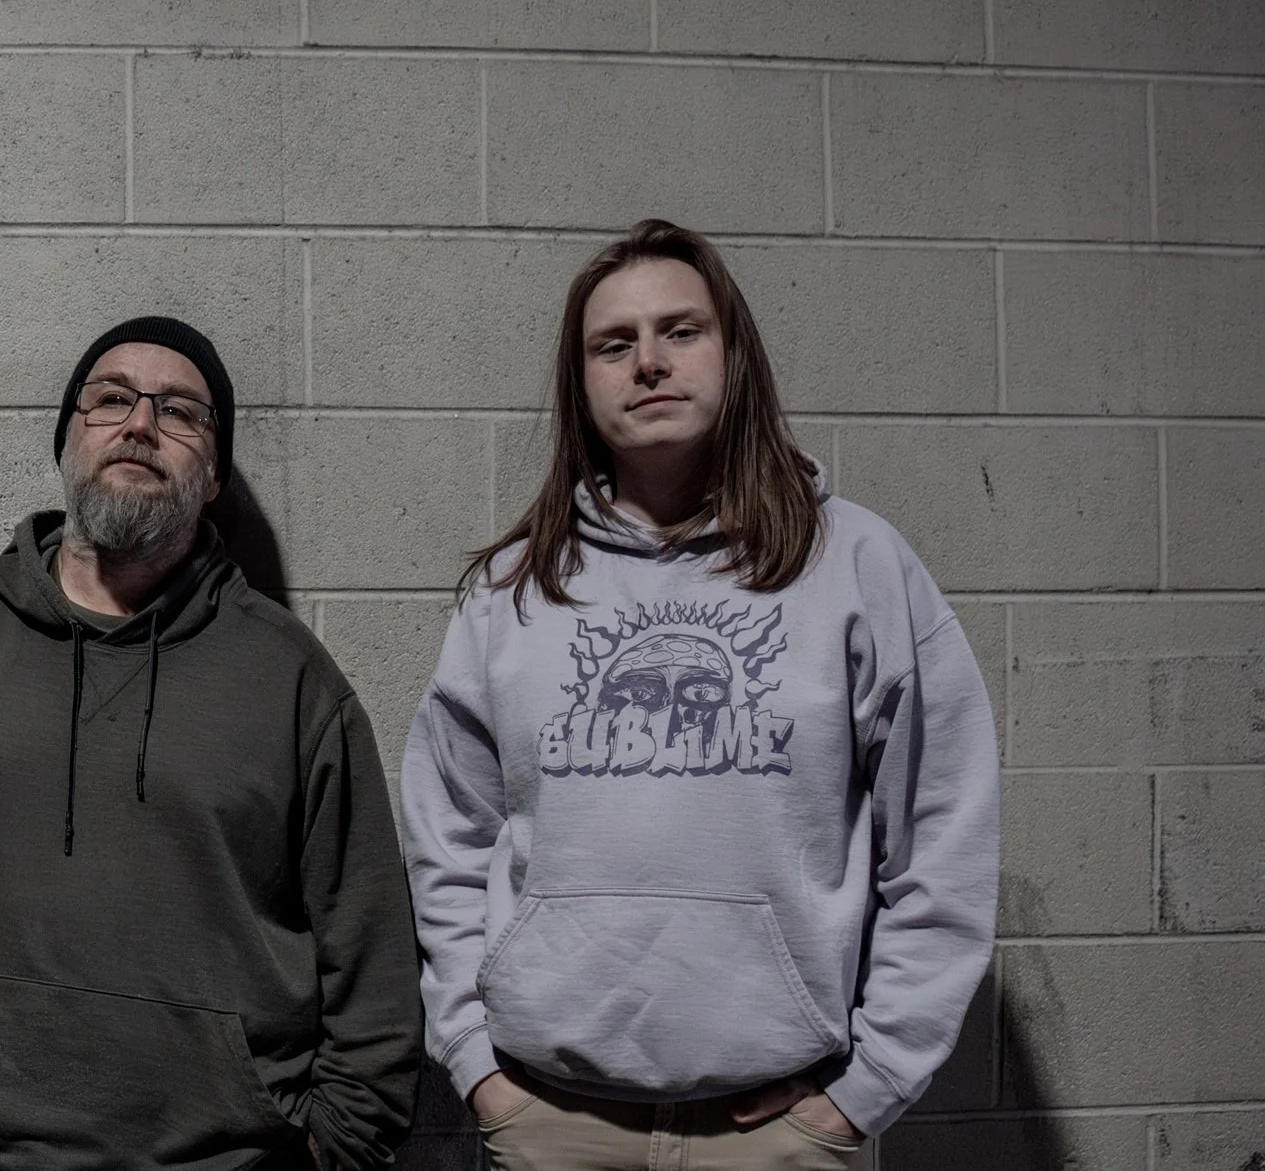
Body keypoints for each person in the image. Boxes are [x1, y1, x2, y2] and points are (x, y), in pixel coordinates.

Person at [401, 221, 998, 1170]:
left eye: (680, 331)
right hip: (550, 1124)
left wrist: (867, 1089)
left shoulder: (857, 566)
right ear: (581, 381)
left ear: (733, 354)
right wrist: (475, 1062)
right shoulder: (513, 589)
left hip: (777, 1137)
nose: (647, 362)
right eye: (613, 343)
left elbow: (942, 838)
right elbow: (448, 838)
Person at [0, 317, 421, 1171]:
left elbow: (369, 958)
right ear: (69, 440)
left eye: (180, 412)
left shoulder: (290, 680)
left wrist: (332, 1146)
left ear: (212, 476)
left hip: (211, 1158)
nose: (139, 424)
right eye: (110, 400)